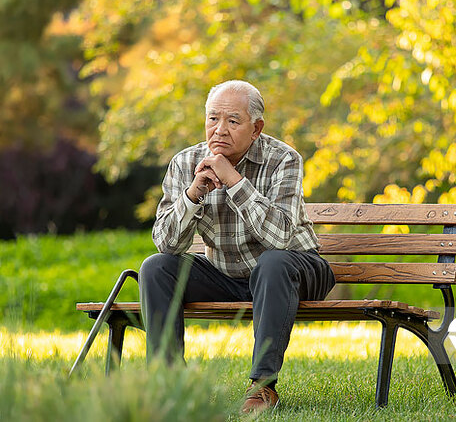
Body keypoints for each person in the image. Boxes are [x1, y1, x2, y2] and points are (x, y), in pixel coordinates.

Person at [138, 80, 335, 414]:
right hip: (225, 273)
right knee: (156, 267)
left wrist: (234, 181)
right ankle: (168, 383)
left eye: (232, 120)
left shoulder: (284, 159)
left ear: (256, 128)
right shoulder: (186, 163)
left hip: (296, 269)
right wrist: (192, 195)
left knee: (272, 262)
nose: (219, 130)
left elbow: (281, 238)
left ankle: (262, 388)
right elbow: (167, 244)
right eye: (213, 119)